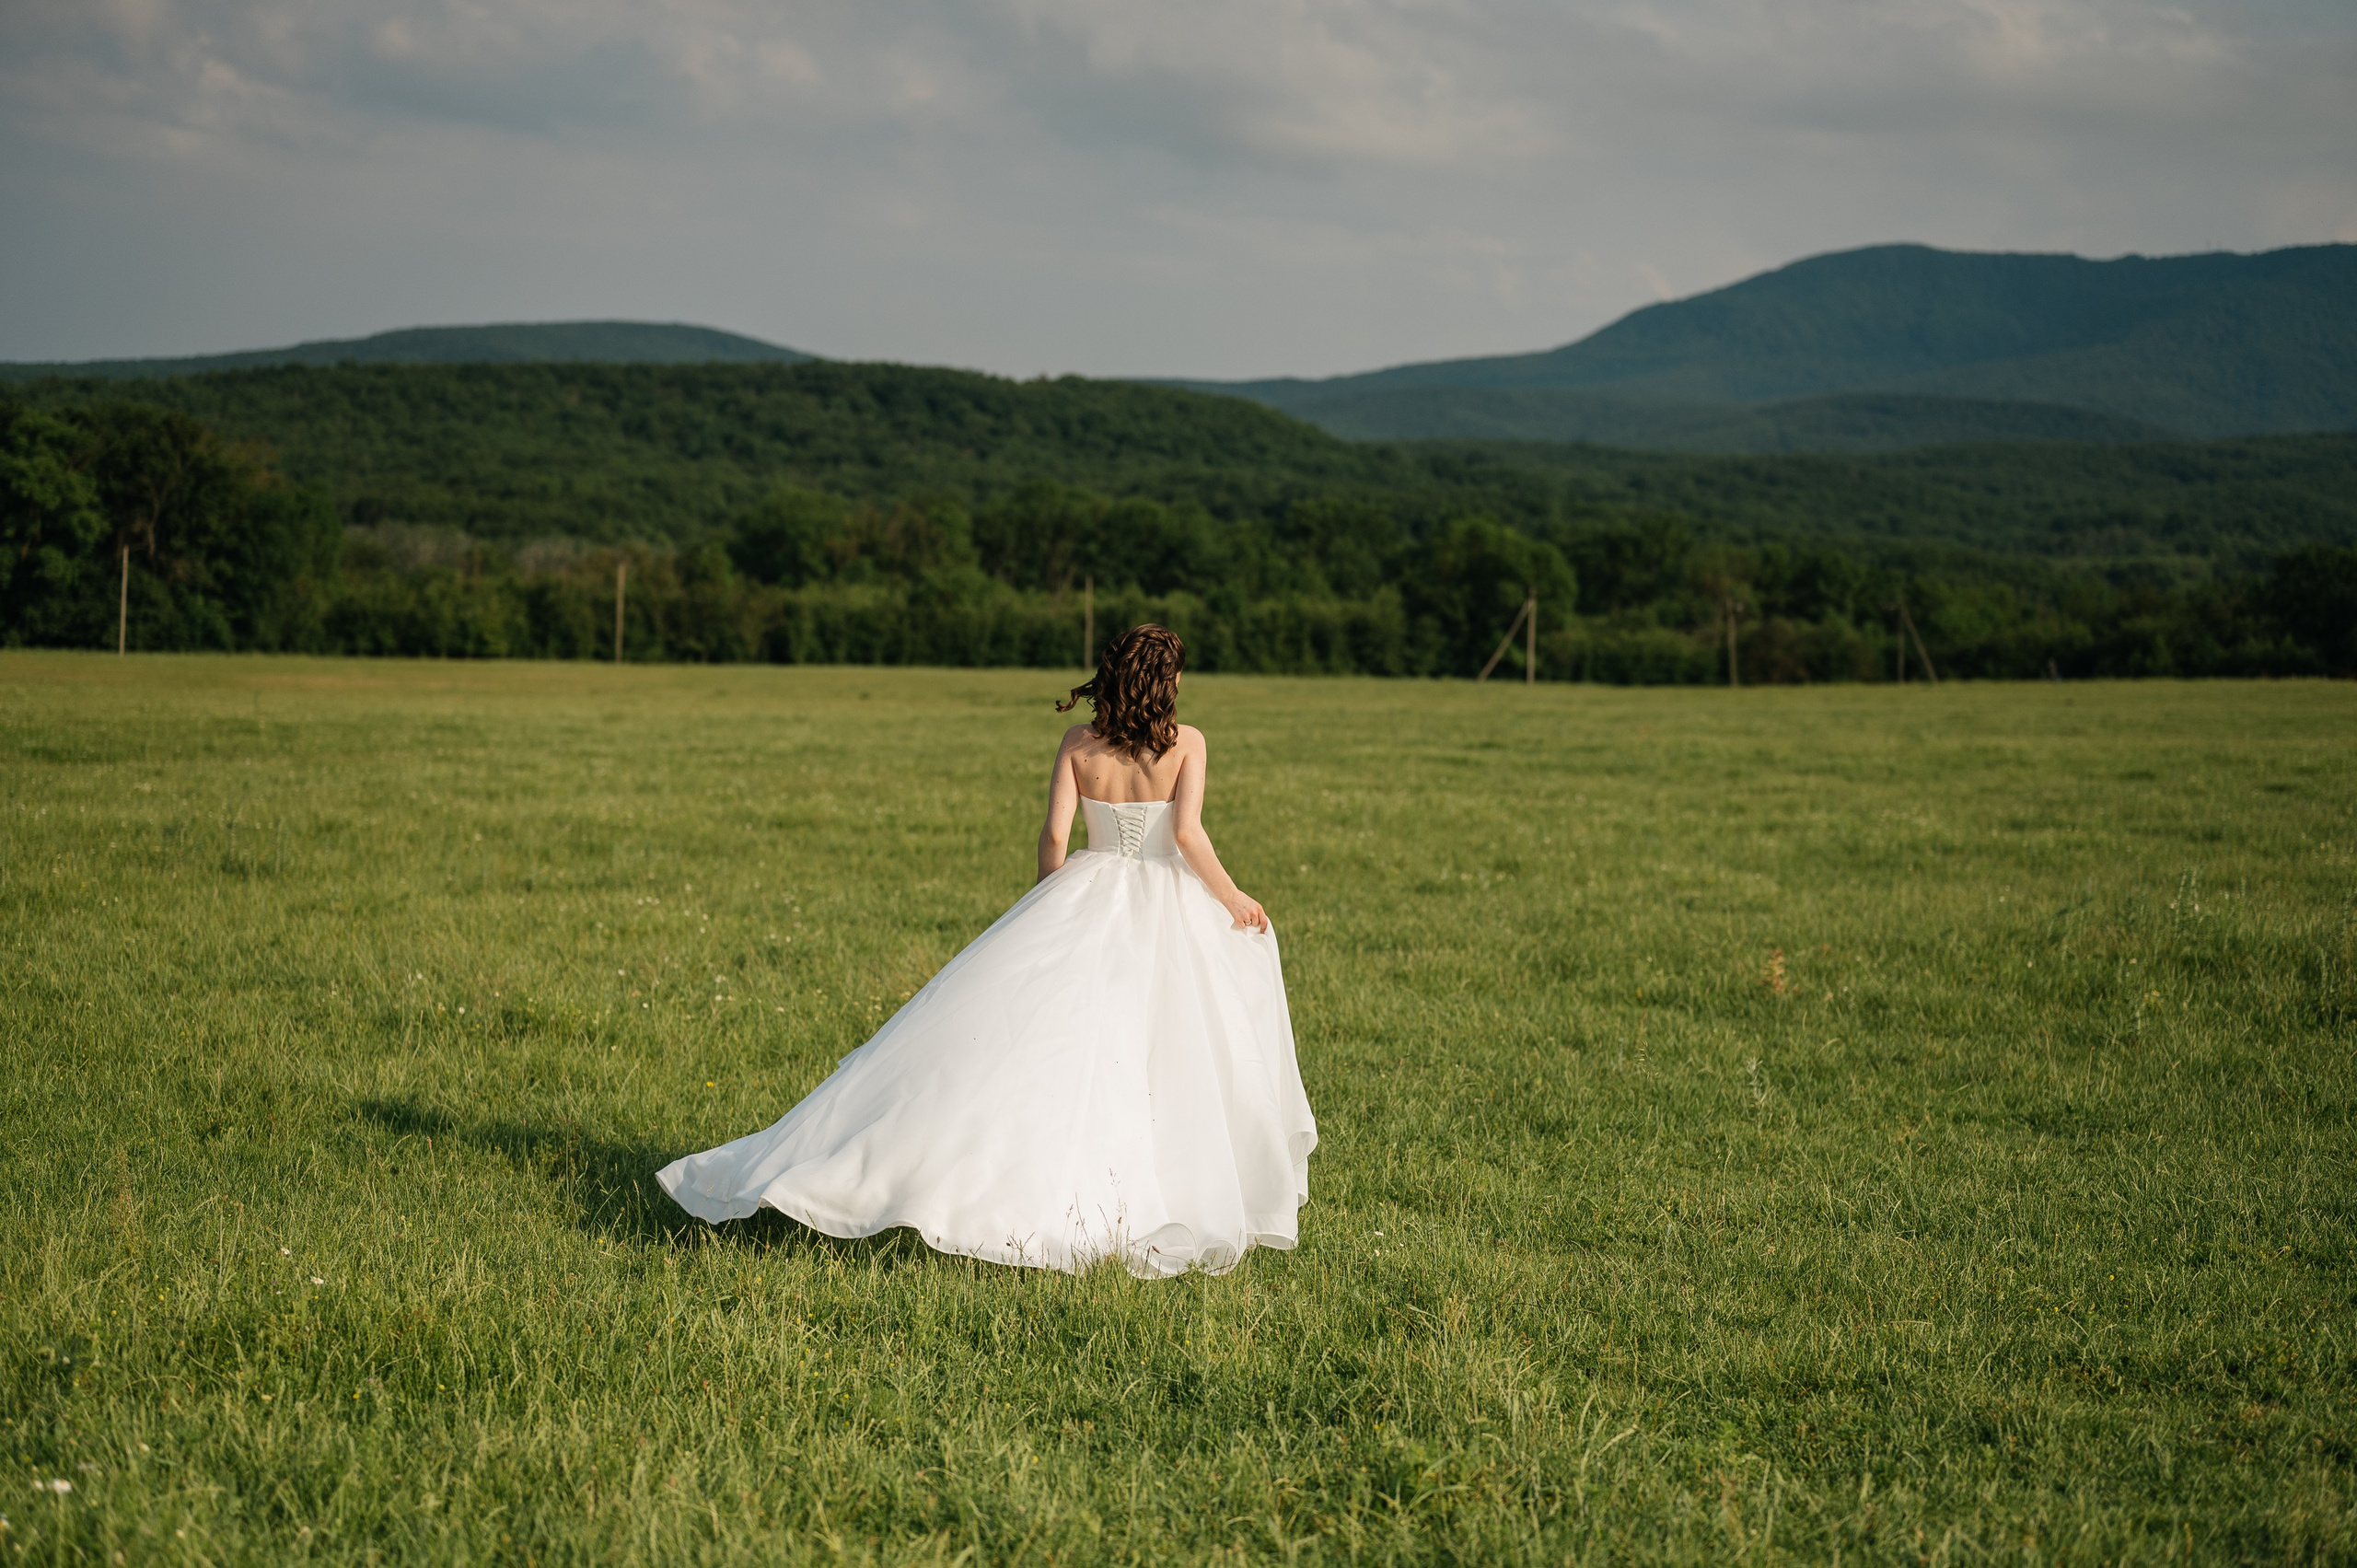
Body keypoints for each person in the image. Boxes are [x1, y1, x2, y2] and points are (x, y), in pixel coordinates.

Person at [656, 624, 1318, 1276]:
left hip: (1086, 887)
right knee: (1170, 1048)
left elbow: (1054, 836)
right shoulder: (1188, 744)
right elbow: (1188, 833)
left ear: (1113, 676)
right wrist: (1231, 896)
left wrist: (1046, 906)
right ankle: (1161, 1188)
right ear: (1167, 683)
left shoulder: (1079, 744)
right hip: (1168, 902)